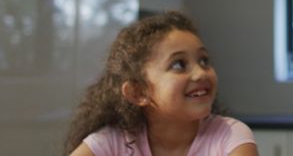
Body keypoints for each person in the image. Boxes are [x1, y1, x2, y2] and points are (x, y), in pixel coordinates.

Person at [64, 11, 258, 156]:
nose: (200, 73)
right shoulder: (111, 142)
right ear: (138, 92)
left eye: (204, 60)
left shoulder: (231, 136)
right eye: (179, 64)